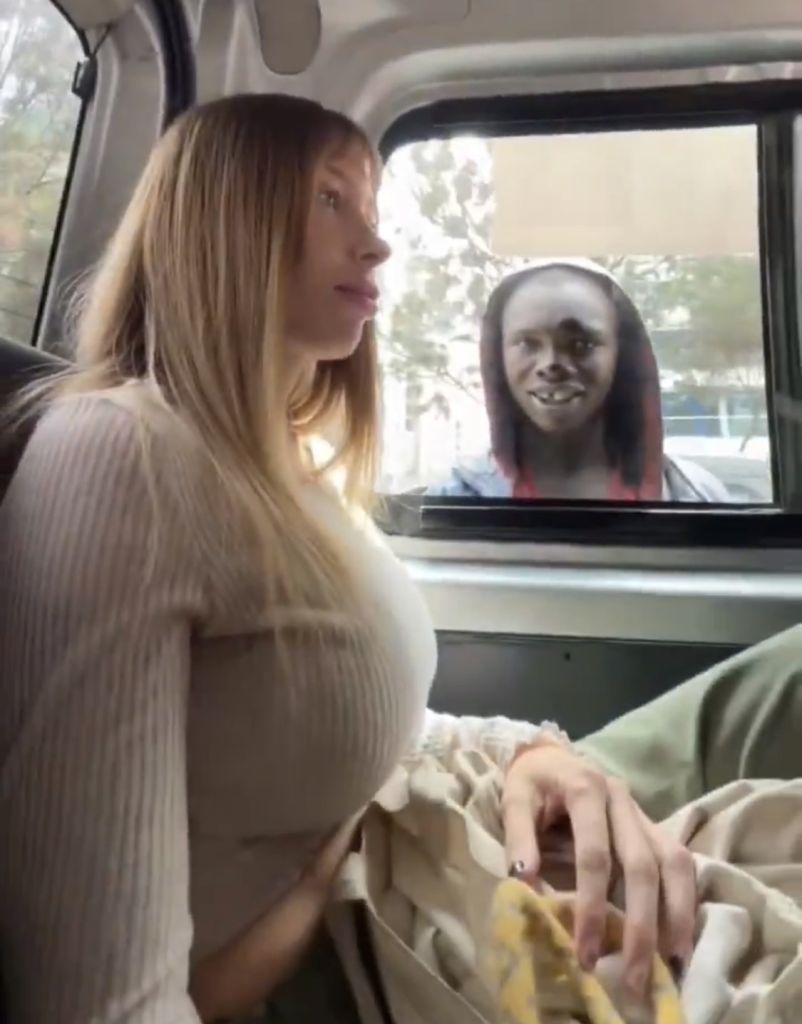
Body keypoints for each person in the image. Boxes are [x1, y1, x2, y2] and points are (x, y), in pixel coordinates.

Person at [0, 93, 794, 1024]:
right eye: (331, 200)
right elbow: (101, 1002)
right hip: (397, 925)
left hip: (460, 816)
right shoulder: (118, 455)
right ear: (224, 218)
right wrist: (324, 867)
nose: (377, 245)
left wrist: (533, 752)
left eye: (373, 210)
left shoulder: (285, 465)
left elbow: (357, 721)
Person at [429, 260, 729, 502]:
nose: (550, 365)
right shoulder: (454, 498)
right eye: (527, 344)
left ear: (621, 355)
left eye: (580, 344)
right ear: (498, 356)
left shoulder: (695, 497)